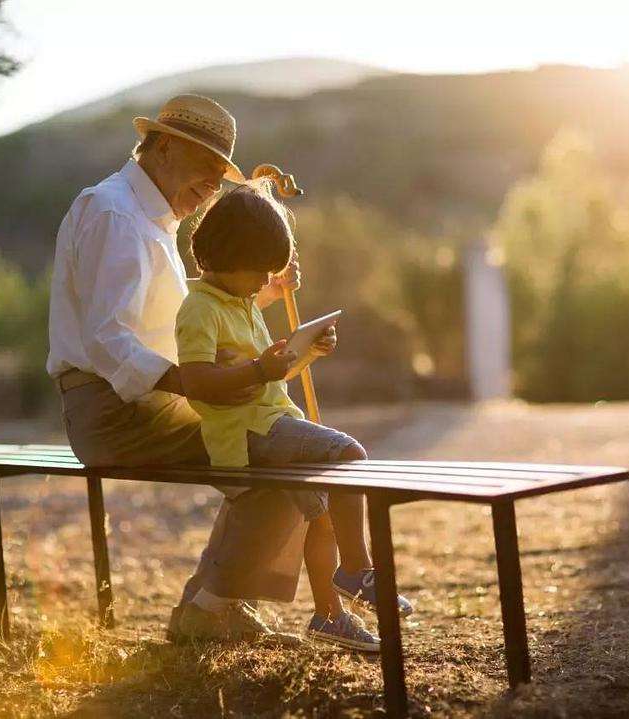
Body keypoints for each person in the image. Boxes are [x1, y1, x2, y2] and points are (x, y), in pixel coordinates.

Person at [46, 94, 315, 641]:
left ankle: (213, 604)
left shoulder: (149, 216)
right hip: (115, 413)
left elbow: (176, 324)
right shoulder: (115, 213)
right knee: (281, 450)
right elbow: (109, 339)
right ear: (164, 147)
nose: (213, 190)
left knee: (277, 445)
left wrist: (253, 291)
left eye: (221, 178)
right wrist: (194, 384)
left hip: (139, 403)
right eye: (209, 172)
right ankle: (209, 610)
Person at [169, 182, 414, 651]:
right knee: (346, 452)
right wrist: (262, 367)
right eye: (259, 271)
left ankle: (328, 615)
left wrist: (307, 354)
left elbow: (266, 378)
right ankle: (358, 570)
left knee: (319, 515)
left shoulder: (239, 303)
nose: (266, 281)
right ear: (225, 259)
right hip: (244, 433)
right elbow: (196, 383)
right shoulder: (198, 310)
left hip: (269, 420)